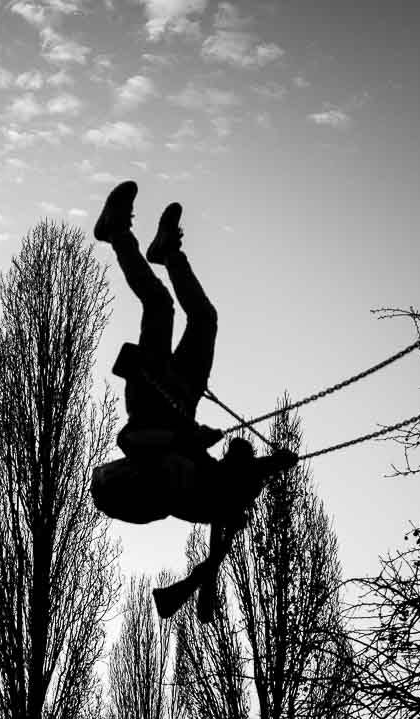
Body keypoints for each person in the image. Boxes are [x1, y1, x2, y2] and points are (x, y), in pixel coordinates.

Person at [89, 180, 296, 622]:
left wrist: (191, 437)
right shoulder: (215, 485)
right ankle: (166, 253)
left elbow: (134, 438)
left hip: (154, 397)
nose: (243, 457)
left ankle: (115, 234)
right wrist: (276, 465)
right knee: (204, 318)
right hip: (183, 396)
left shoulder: (171, 484)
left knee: (159, 307)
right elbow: (244, 479)